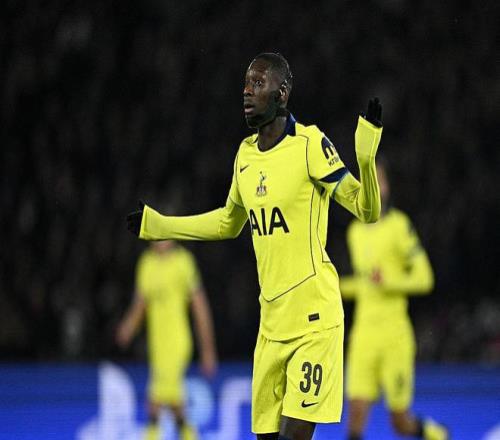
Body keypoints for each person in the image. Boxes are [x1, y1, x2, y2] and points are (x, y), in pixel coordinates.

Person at [127, 52, 383, 440]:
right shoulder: (245, 156)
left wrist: (365, 157)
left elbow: (366, 210)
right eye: (246, 84)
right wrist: (160, 225)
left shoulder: (310, 144)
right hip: (271, 326)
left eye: (258, 84)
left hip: (314, 321)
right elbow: (227, 223)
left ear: (282, 93)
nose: (247, 92)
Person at [341, 158, 449, 440]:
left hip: (394, 336)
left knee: (399, 422)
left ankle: (436, 434)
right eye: (369, 182)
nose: (375, 187)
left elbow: (425, 279)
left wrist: (388, 282)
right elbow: (364, 285)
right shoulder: (354, 232)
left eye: (380, 181)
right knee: (355, 413)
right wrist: (332, 286)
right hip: (363, 335)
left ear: (387, 186)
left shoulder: (400, 226)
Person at [116, 240, 217, 440]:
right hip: (157, 346)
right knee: (175, 404)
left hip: (177, 342)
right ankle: (188, 434)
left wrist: (208, 350)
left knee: (154, 402)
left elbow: (200, 307)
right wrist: (128, 327)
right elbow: (140, 303)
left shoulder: (183, 262)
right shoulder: (146, 263)